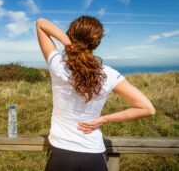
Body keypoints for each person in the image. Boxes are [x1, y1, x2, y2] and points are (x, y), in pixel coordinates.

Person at [36, 16, 156, 171]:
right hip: (92, 154)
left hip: (60, 152)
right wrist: (104, 119)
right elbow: (147, 109)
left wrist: (70, 43)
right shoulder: (109, 74)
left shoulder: (58, 67)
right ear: (96, 42)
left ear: (70, 34)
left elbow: (41, 23)